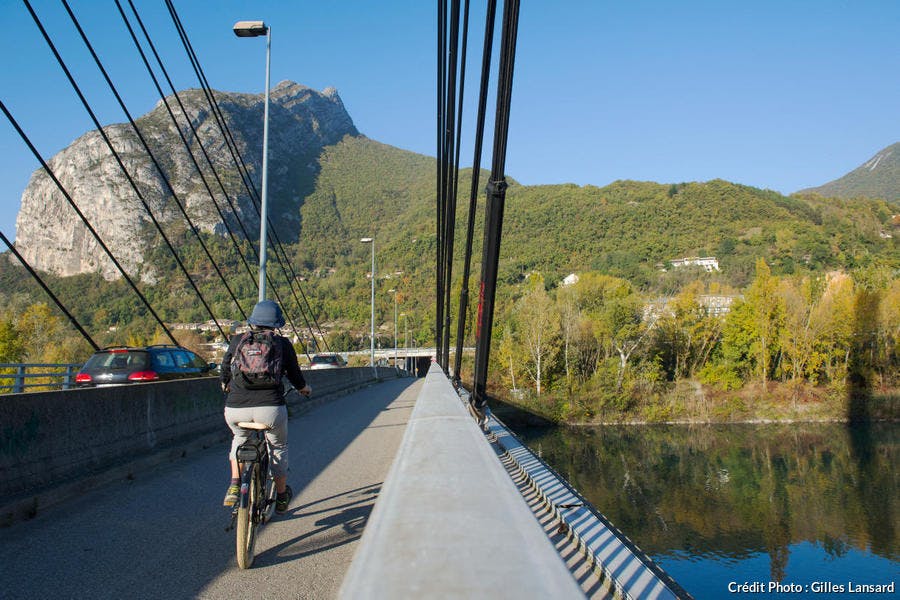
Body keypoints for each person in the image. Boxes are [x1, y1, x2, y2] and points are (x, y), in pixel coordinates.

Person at [221, 300, 311, 513]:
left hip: (235, 408)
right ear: (276, 323)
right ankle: (281, 497)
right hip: (270, 409)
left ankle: (234, 485)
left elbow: (225, 367)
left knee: (239, 438)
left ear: (253, 320)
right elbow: (295, 375)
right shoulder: (282, 344)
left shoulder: (237, 340)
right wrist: (304, 389)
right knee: (278, 447)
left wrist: (225, 384)